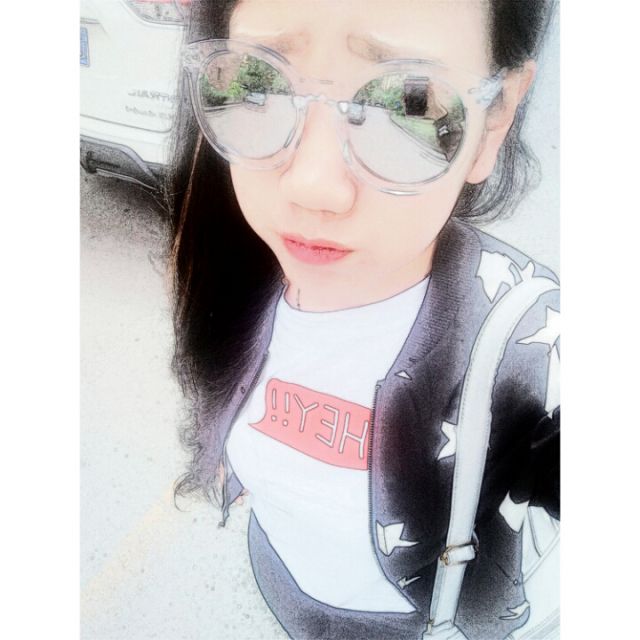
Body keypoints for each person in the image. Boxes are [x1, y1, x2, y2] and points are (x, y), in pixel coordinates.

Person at [168, 1, 559, 638]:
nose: (312, 187)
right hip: (283, 587)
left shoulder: (530, 342)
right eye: (256, 82)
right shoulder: (241, 268)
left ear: (496, 117)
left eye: (408, 101)